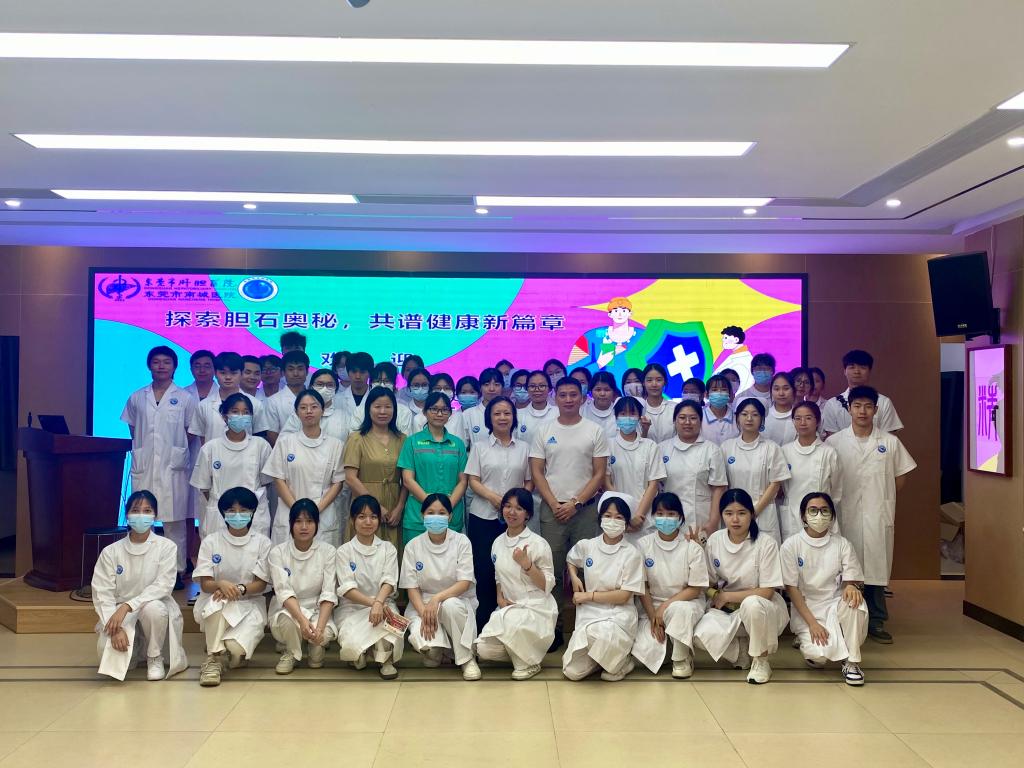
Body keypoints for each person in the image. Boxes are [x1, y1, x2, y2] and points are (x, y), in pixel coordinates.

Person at [827, 386, 916, 643]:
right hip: (845, 512)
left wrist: (882, 498)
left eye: (868, 406)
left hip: (878, 513)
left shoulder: (889, 442)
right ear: (849, 409)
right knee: (845, 565)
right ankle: (844, 619)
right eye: (857, 406)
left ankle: (876, 620)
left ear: (876, 410)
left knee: (876, 566)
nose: (862, 411)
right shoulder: (834, 443)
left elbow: (900, 477)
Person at [530, 376, 610, 648]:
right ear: (555, 397)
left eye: (573, 395)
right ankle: (553, 627)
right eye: (562, 395)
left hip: (584, 510)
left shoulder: (595, 430)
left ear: (582, 397)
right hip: (552, 510)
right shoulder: (544, 430)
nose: (567, 399)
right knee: (550, 570)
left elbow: (599, 473)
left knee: (587, 569)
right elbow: (537, 471)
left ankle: (584, 627)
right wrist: (555, 504)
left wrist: (575, 503)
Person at [91, 491, 188, 681]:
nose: (141, 515)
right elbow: (102, 593)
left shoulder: (167, 547)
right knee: (106, 656)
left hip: (153, 606)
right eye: (135, 510)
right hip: (119, 612)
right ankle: (134, 649)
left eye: (147, 511)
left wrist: (128, 606)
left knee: (154, 608)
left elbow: (163, 586)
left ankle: (154, 656)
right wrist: (116, 628)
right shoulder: (111, 552)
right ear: (127, 515)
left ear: (155, 516)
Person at [694, 489, 788, 684]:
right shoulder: (715, 540)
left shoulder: (766, 543)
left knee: (752, 604)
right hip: (728, 609)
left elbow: (767, 591)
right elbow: (708, 582)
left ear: (752, 514)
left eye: (741, 513)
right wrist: (697, 551)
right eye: (729, 513)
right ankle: (741, 653)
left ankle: (761, 661)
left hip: (763, 607)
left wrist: (726, 596)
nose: (735, 519)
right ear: (722, 515)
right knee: (697, 635)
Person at [121, 345, 197, 579]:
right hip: (145, 465)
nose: (161, 366)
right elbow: (133, 426)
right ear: (149, 366)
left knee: (175, 522)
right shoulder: (137, 397)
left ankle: (176, 571)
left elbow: (191, 430)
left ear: (174, 366)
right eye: (156, 362)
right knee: (143, 519)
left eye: (166, 362)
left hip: (173, 467)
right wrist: (147, 448)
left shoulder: (185, 398)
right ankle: (144, 570)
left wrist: (175, 450)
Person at [781, 492, 868, 686]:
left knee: (855, 602)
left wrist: (851, 586)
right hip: (808, 610)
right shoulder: (791, 545)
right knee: (818, 657)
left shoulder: (842, 544)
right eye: (813, 510)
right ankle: (818, 643)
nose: (819, 515)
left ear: (832, 515)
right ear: (803, 515)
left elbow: (851, 578)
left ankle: (852, 662)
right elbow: (792, 588)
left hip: (836, 606)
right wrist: (813, 624)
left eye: (824, 510)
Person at [475, 488, 557, 680]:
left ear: (528, 514)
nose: (511, 512)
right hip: (509, 607)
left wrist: (527, 565)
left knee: (514, 625)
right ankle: (524, 654)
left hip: (536, 607)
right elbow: (498, 576)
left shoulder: (538, 543)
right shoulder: (497, 542)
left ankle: (529, 663)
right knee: (483, 650)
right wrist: (499, 597)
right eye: (507, 506)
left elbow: (547, 585)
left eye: (519, 508)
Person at [193, 487, 271, 687]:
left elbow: (260, 584)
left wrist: (239, 589)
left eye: (243, 510)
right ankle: (213, 659)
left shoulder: (262, 543)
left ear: (252, 512)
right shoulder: (211, 541)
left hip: (249, 602)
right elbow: (205, 583)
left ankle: (229, 650)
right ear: (223, 513)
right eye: (232, 510)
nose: (237, 515)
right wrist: (220, 584)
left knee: (236, 648)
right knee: (217, 604)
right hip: (216, 599)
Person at [465, 396, 532, 628]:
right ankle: (483, 622)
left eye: (507, 413)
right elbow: (473, 480)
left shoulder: (524, 448)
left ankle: (511, 621)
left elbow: (529, 481)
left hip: (514, 520)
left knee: (511, 569)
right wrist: (495, 499)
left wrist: (514, 505)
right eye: (497, 413)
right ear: (489, 418)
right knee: (484, 569)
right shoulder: (480, 447)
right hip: (483, 516)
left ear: (514, 417)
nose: (502, 417)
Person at [562, 493, 644, 681]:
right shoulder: (587, 545)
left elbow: (624, 596)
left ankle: (623, 661)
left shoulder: (632, 554)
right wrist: (574, 577)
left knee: (600, 636)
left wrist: (588, 596)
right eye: (608, 516)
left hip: (618, 615)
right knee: (572, 672)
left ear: (626, 523)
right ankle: (605, 659)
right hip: (590, 613)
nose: (612, 521)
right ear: (600, 519)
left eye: (618, 517)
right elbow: (571, 559)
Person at [400, 494, 482, 680]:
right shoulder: (413, 546)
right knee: (427, 649)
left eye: (442, 513)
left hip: (456, 601)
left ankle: (467, 659)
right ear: (422, 516)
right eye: (430, 512)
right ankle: (440, 651)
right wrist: (424, 613)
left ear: (450, 516)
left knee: (450, 606)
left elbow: (464, 582)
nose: (436, 517)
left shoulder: (461, 542)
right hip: (423, 605)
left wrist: (437, 599)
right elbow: (411, 587)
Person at [631, 492, 709, 678]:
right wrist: (653, 616)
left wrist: (664, 607)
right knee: (646, 651)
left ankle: (681, 659)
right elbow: (643, 587)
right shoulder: (643, 545)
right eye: (660, 513)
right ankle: (672, 648)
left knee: (679, 610)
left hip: (686, 603)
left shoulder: (691, 547)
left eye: (671, 514)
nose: (665, 518)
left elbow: (695, 589)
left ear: (680, 517)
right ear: (653, 516)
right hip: (651, 607)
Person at [263, 389, 345, 546]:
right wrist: (297, 509)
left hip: (322, 513)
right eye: (303, 407)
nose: (309, 411)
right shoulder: (285, 442)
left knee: (323, 558)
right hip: (290, 511)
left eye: (314, 407)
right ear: (296, 412)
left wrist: (315, 511)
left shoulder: (335, 445)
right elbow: (278, 478)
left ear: (323, 410)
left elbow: (338, 483)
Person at [334, 495, 404, 679]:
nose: (368, 522)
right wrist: (374, 604)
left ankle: (385, 660)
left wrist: (379, 603)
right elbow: (347, 589)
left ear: (379, 520)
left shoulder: (388, 548)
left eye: (373, 517)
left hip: (384, 604)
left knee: (388, 631)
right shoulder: (344, 551)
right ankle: (362, 652)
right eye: (362, 517)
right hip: (352, 608)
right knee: (352, 648)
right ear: (352, 520)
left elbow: (389, 581)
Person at [268, 499, 338, 674]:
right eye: (298, 521)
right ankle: (291, 652)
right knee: (286, 620)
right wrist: (301, 620)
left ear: (317, 524)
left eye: (309, 521)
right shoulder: (278, 553)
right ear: (291, 524)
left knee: (324, 636)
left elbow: (329, 592)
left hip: (317, 609)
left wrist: (319, 628)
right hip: (289, 610)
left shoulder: (328, 552)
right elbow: (284, 592)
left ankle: (314, 645)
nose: (304, 527)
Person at [190, 393, 273, 539]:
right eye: (235, 411)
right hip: (220, 515)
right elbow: (204, 487)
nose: (241, 416)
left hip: (253, 514)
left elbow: (267, 481)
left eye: (245, 412)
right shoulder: (210, 448)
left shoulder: (261, 446)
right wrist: (226, 507)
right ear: (224, 416)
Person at [398, 392, 469, 544]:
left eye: (444, 410)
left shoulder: (458, 444)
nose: (439, 413)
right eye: (434, 409)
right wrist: (432, 506)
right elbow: (407, 480)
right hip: (418, 516)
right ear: (425, 412)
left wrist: (446, 508)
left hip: (450, 516)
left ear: (450, 413)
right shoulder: (412, 442)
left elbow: (463, 481)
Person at [343, 386, 408, 549]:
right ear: (368, 409)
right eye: (377, 406)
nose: (382, 411)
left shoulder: (403, 440)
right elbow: (350, 478)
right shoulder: (357, 438)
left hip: (394, 504)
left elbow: (407, 479)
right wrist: (376, 506)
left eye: (388, 407)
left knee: (391, 551)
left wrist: (399, 508)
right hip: (364, 502)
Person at [720, 398, 791, 543]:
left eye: (755, 414)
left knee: (766, 552)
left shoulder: (771, 448)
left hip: (763, 512)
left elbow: (775, 484)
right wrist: (739, 512)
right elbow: (722, 483)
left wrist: (754, 512)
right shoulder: (726, 447)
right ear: (737, 418)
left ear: (762, 419)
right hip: (734, 513)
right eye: (744, 414)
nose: (749, 418)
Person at [659, 400, 728, 540]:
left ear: (700, 421)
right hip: (668, 517)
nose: (687, 422)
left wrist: (713, 522)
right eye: (682, 417)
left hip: (702, 517)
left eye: (693, 418)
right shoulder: (662, 449)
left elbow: (719, 488)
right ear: (674, 421)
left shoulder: (711, 450)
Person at [606, 395, 665, 543]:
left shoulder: (650, 446)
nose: (628, 418)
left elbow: (653, 484)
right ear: (616, 417)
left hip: (645, 518)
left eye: (632, 413)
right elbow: (606, 481)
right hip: (616, 516)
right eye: (623, 413)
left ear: (639, 417)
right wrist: (622, 514)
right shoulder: (608, 445)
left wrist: (639, 515)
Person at [780, 402, 843, 541]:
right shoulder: (784, 451)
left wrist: (825, 510)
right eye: (798, 418)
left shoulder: (829, 452)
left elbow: (836, 490)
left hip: (822, 515)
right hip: (792, 514)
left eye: (808, 418)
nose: (803, 423)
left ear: (818, 421)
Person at [189, 351, 270, 445]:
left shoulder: (255, 404)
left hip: (245, 453)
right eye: (223, 373)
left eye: (233, 373)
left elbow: (260, 438)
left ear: (241, 374)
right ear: (215, 374)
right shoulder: (203, 405)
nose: (228, 377)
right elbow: (203, 439)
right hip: (214, 454)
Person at [822, 350, 903, 436]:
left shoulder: (884, 402)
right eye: (852, 367)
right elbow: (832, 439)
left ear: (869, 371)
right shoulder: (832, 404)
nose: (857, 371)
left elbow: (888, 437)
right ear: (844, 371)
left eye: (862, 367)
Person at [349, 362, 415, 435]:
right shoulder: (359, 411)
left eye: (387, 381)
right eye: (377, 381)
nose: (382, 385)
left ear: (394, 385)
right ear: (370, 384)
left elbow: (405, 439)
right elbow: (354, 438)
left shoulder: (404, 412)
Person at [462, 368, 505, 446]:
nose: (491, 389)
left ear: (502, 387)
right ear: (480, 388)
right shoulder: (468, 414)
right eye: (486, 385)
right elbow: (462, 446)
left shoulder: (511, 413)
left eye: (496, 385)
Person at [638, 363, 676, 444]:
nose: (654, 384)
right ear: (643, 383)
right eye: (649, 380)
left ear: (665, 382)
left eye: (659, 380)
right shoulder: (638, 410)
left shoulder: (675, 408)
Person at [519, 370, 557, 442]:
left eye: (542, 386)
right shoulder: (518, 415)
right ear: (527, 389)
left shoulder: (558, 413)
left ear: (549, 389)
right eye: (532, 386)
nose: (537, 390)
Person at [713, 325, 753, 391]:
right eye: (723, 338)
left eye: (726, 338)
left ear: (736, 339)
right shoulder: (734, 356)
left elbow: (741, 387)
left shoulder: (743, 361)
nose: (723, 340)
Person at [702, 374, 739, 445]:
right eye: (714, 390)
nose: (719, 393)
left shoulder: (737, 417)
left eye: (724, 390)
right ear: (706, 394)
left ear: (729, 394)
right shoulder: (699, 417)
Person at [581, 370, 619, 438]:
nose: (602, 394)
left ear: (613, 392)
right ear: (591, 392)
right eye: (598, 390)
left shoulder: (620, 411)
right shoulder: (582, 412)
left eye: (607, 390)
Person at [763, 372, 797, 445]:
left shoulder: (799, 416)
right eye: (776, 389)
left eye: (786, 389)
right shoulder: (764, 416)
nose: (781, 393)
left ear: (793, 390)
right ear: (771, 391)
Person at [336, 351, 373, 416]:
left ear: (369, 373)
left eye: (362, 372)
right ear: (348, 373)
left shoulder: (378, 398)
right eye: (354, 372)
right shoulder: (337, 399)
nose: (358, 376)